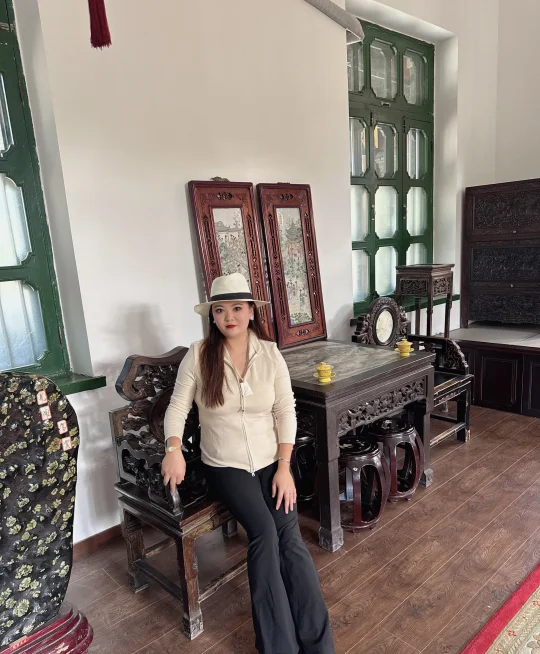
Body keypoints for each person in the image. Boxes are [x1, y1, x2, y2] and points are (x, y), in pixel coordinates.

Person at [162, 272, 335, 654]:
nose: (229, 317)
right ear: (212, 315)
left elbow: (285, 411)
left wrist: (285, 467)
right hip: (226, 465)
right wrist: (174, 448)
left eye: (237, 308)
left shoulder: (270, 355)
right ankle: (278, 647)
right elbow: (177, 408)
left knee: (290, 537)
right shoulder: (198, 355)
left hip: (272, 462)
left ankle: (320, 645)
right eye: (220, 310)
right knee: (264, 532)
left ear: (252, 311)